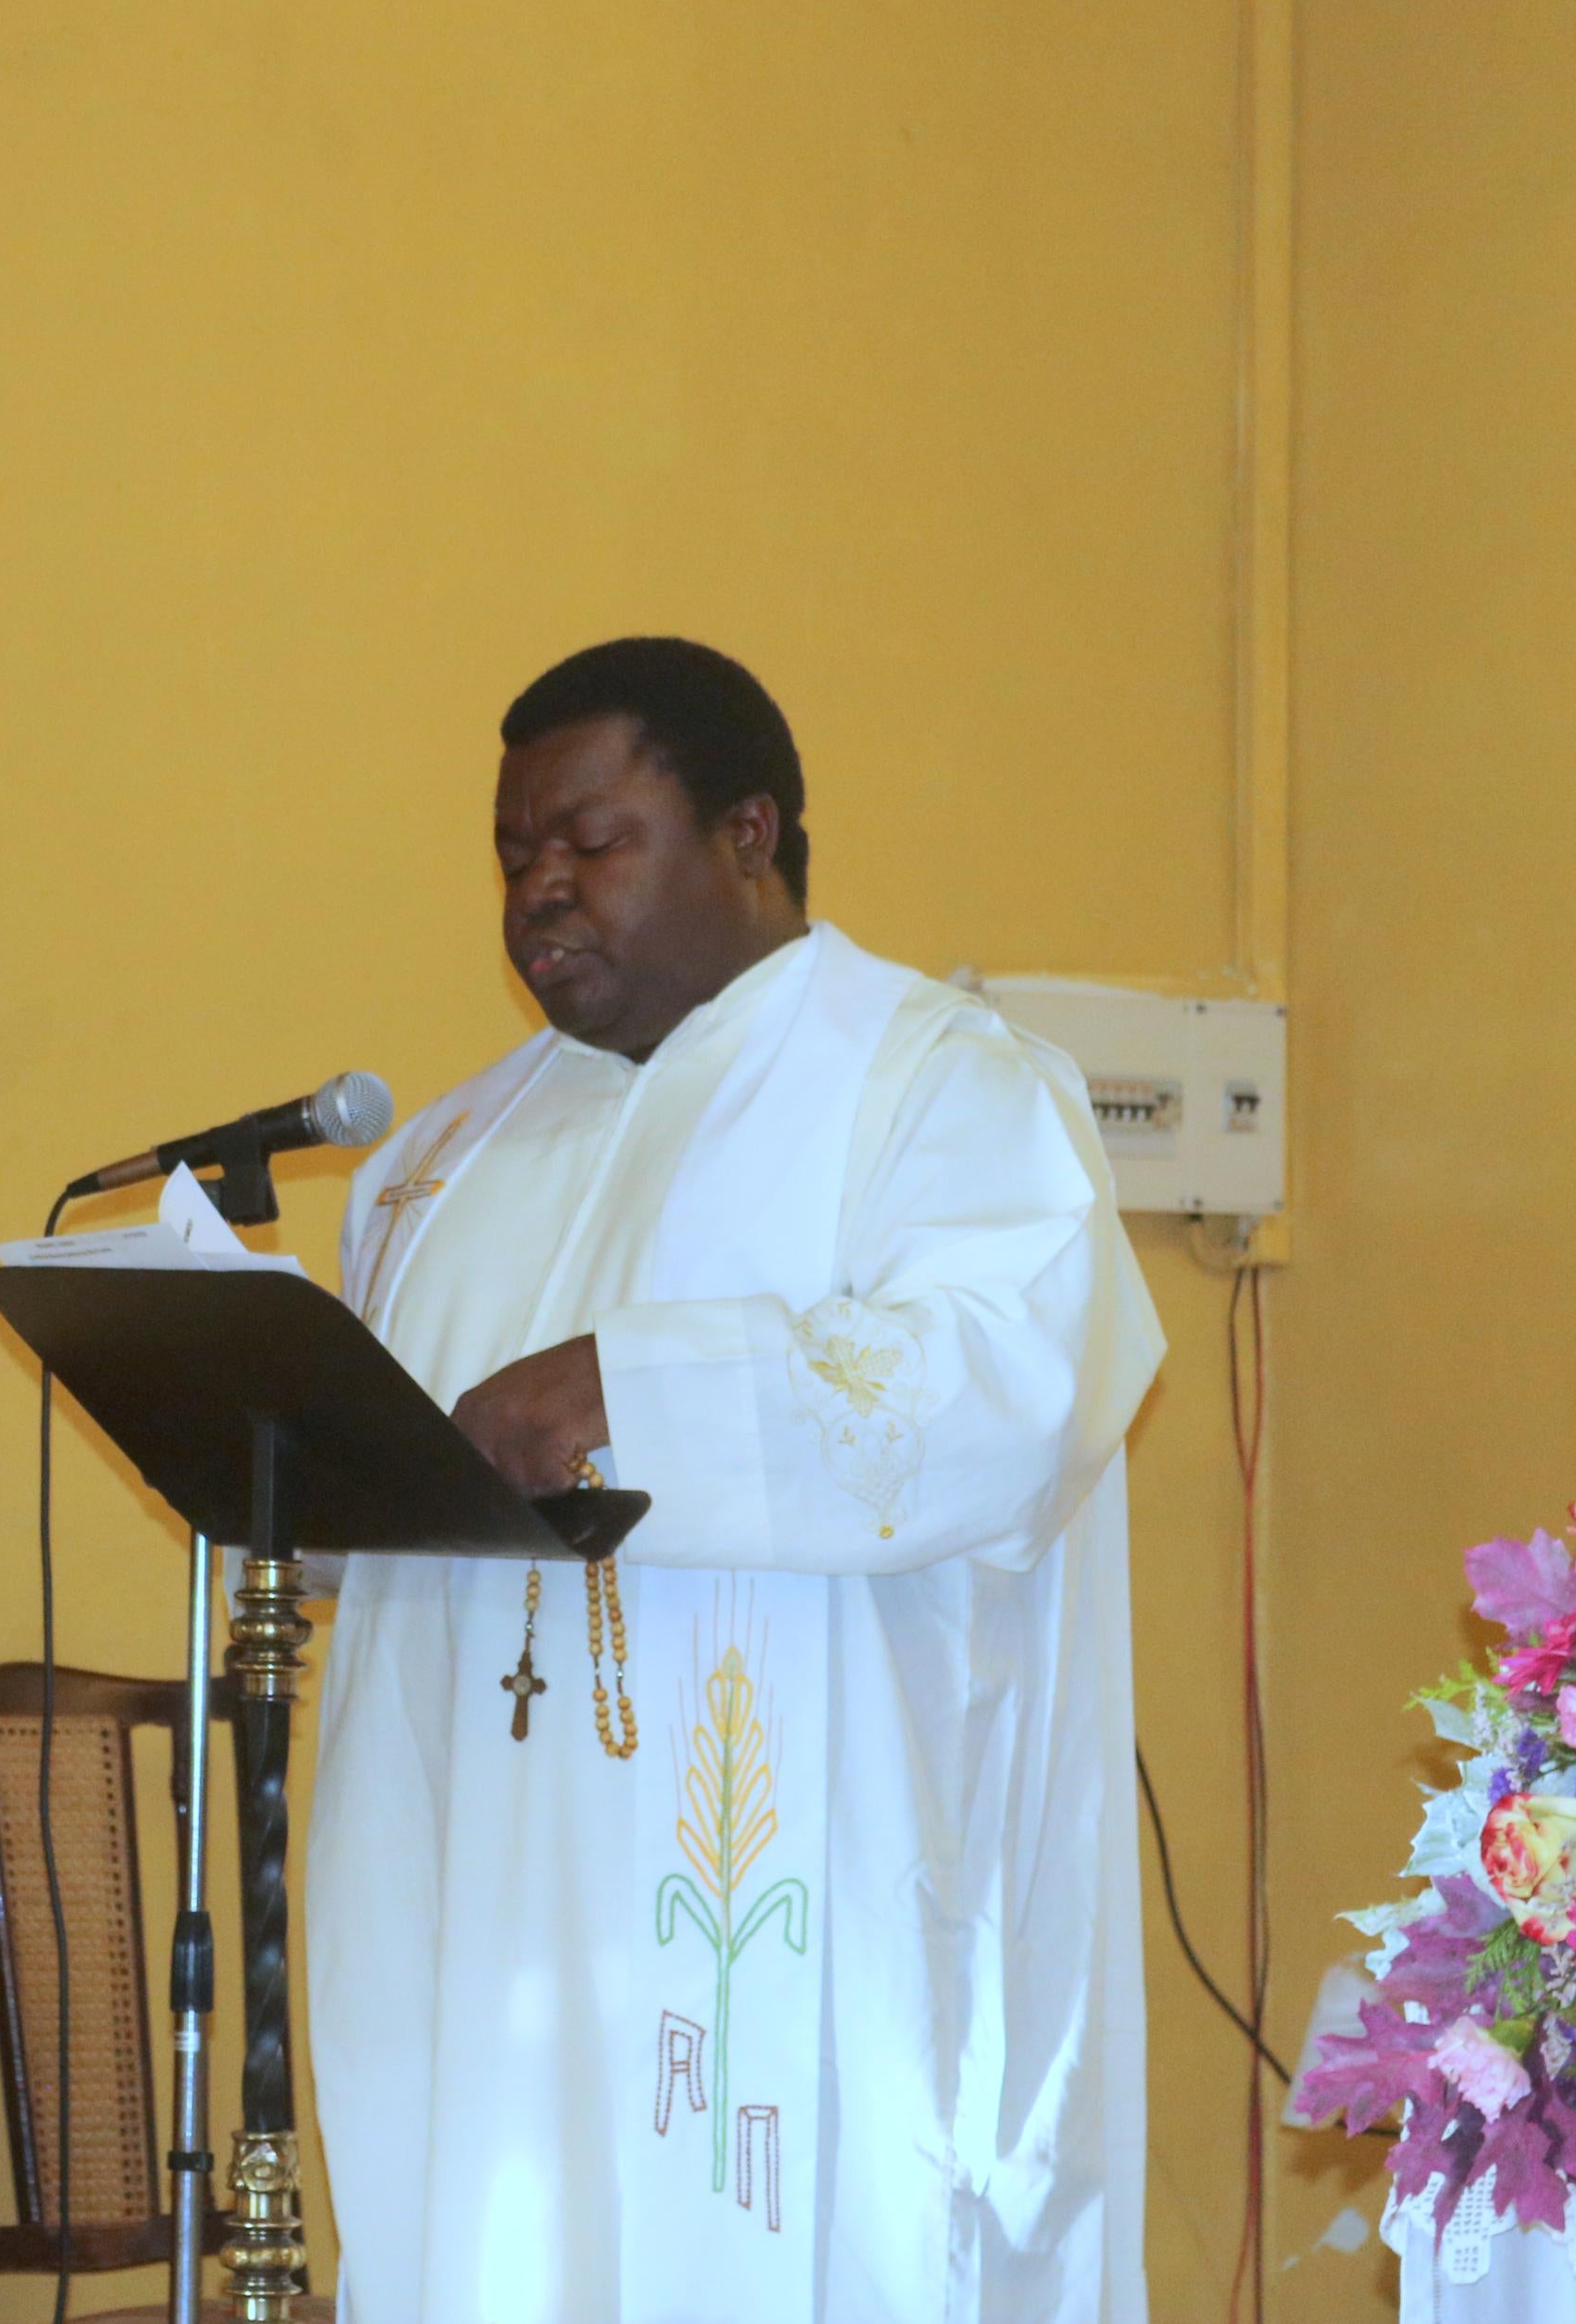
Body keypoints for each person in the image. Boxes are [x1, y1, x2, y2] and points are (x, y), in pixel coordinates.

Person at [306, 637, 1168, 2324]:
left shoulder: (937, 1086)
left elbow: (1014, 1383)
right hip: (492, 1911)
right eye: (512, 853)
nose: (538, 888)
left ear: (750, 834)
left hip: (794, 1921)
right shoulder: (434, 1168)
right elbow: (370, 1516)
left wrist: (638, 1387)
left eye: (591, 839)